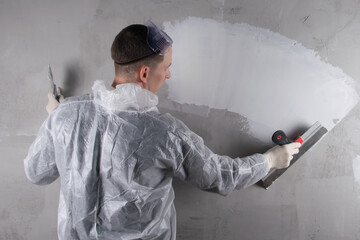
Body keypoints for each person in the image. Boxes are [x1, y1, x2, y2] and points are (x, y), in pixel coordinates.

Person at [24, 20, 301, 240]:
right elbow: (218, 176)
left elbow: (36, 172)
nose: (167, 75)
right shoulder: (165, 133)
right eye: (166, 67)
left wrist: (55, 117)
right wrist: (269, 161)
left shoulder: (66, 115)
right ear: (145, 73)